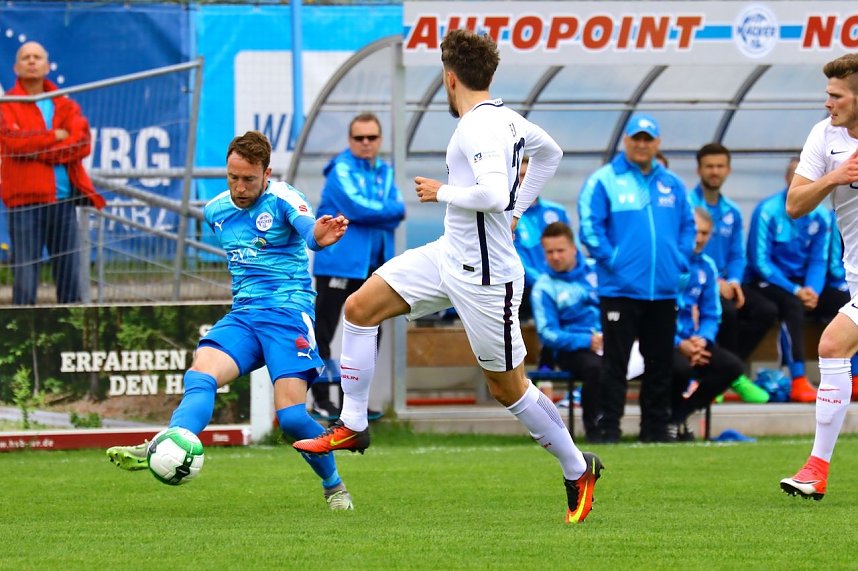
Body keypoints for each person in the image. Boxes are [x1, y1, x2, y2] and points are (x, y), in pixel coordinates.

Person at [294, 29, 603, 525]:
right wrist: (519, 209)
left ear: (450, 77)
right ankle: (353, 423)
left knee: (509, 388)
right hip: (448, 254)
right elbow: (551, 156)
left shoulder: (479, 128)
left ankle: (577, 467)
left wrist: (442, 193)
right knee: (359, 308)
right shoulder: (508, 120)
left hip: (487, 278)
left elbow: (493, 194)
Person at [105, 131, 355, 511]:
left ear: (266, 172)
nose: (240, 187)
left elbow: (310, 233)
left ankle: (334, 487)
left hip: (287, 314)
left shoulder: (285, 198)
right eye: (233, 177)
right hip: (244, 316)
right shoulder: (216, 210)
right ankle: (170, 439)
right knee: (200, 375)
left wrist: (320, 237)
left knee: (290, 418)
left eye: (249, 179)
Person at [578, 113, 695, 443]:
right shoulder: (604, 180)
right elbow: (589, 227)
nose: (642, 144)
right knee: (615, 364)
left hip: (663, 291)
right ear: (625, 141)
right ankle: (609, 428)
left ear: (657, 143)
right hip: (620, 290)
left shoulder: (672, 184)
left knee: (660, 364)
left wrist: (679, 260)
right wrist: (615, 260)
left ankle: (654, 430)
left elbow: (687, 225)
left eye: (648, 139)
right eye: (636, 138)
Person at [780, 53, 858, 501]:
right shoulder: (823, 135)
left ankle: (816, 468)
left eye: (836, 95)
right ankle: (816, 470)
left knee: (831, 345)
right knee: (832, 347)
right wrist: (836, 178)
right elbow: (794, 205)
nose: (827, 102)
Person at [310, 112, 405, 420]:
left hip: (374, 265)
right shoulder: (340, 169)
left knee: (369, 333)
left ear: (379, 141)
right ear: (350, 141)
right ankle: (322, 400)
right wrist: (382, 212)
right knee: (323, 330)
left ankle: (355, 405)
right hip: (338, 263)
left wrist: (377, 213)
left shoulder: (386, 171)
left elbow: (399, 209)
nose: (366, 143)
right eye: (359, 138)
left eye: (372, 138)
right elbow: (358, 208)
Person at [0, 41, 105, 305]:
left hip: (63, 202)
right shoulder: (7, 105)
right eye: (26, 57)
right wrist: (54, 137)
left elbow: (81, 143)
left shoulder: (64, 104)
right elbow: (12, 143)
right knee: (25, 278)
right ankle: (23, 335)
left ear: (47, 66)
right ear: (16, 67)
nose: (32, 61)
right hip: (24, 204)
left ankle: (72, 335)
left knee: (69, 277)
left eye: (37, 57)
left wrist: (36, 149)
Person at [687, 143, 778, 401]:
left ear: (728, 170)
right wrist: (716, 283)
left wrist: (736, 281)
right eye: (709, 166)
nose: (714, 172)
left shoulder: (733, 212)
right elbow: (683, 252)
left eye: (719, 166)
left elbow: (738, 254)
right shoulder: (686, 206)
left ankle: (729, 374)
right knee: (725, 310)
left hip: (728, 282)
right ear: (699, 170)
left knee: (766, 310)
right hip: (698, 282)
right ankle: (721, 376)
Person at [670, 208, 767, 442]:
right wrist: (680, 343)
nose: (699, 238)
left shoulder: (708, 266)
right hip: (666, 340)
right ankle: (666, 419)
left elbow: (712, 313)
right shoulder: (668, 261)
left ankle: (681, 415)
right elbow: (655, 315)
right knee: (679, 368)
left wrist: (703, 339)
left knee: (732, 367)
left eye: (705, 233)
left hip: (695, 341)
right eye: (695, 232)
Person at [745, 157, 831, 403]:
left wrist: (812, 290)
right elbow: (760, 262)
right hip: (768, 282)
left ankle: (853, 377)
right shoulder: (767, 210)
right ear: (787, 179)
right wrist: (795, 290)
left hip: (803, 285)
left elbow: (819, 260)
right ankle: (798, 379)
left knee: (845, 302)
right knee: (790, 305)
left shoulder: (822, 216)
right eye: (797, 175)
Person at [530, 221, 602, 441]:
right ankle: (596, 428)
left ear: (574, 248)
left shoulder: (598, 271)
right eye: (549, 252)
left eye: (560, 250)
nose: (555, 257)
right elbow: (547, 333)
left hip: (613, 341)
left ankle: (658, 424)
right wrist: (586, 341)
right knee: (596, 367)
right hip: (570, 350)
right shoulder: (544, 287)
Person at [513, 155, 571, 322]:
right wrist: (545, 284)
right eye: (520, 176)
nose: (525, 180)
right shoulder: (505, 215)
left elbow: (570, 250)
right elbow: (516, 259)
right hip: (524, 293)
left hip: (560, 287)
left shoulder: (556, 211)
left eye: (529, 175)